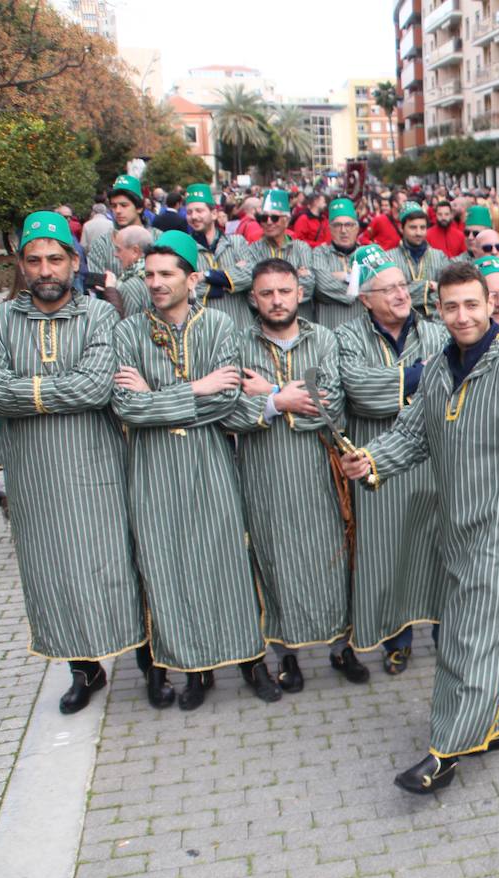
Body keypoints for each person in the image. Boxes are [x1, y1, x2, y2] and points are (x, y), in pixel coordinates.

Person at [339, 261, 499, 795]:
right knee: (493, 629)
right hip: (457, 528)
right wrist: (372, 460)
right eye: (450, 306)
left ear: (491, 305)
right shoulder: (437, 367)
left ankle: (446, 751)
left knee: (468, 638)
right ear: (437, 308)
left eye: (472, 304)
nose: (462, 315)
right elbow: (413, 433)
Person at [0, 212, 165, 713]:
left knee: (120, 566)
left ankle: (150, 666)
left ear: (74, 261)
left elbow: (95, 387)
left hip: (96, 470)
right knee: (54, 575)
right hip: (32, 477)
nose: (45, 270)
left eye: (55, 259)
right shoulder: (1, 320)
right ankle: (83, 670)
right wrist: (54, 389)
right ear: (21, 268)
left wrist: (22, 391)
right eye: (34, 261)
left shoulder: (99, 316)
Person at [110, 230, 273, 709]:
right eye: (149, 275)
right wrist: (194, 389)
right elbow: (125, 407)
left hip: (209, 462)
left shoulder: (220, 326)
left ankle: (250, 661)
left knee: (228, 561)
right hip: (153, 469)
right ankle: (196, 670)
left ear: (192, 277)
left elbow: (226, 401)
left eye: (166, 274)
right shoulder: (128, 331)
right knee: (168, 565)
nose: (156, 283)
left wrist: (158, 398)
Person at [221, 258, 368, 692]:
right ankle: (286, 655)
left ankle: (343, 648)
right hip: (264, 474)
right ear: (253, 298)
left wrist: (269, 395)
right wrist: (279, 404)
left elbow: (332, 405)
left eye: (284, 291)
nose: (277, 300)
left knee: (333, 557)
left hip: (319, 470)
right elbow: (229, 410)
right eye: (266, 293)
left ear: (299, 293)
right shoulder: (237, 344)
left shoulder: (322, 338)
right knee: (276, 559)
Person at [334, 246, 449, 674]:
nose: (401, 294)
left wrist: (421, 377)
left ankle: (444, 633)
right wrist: (420, 373)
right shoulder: (346, 337)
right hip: (378, 461)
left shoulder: (436, 331)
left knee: (438, 551)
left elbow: (450, 381)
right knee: (389, 554)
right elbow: (360, 390)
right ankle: (395, 640)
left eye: (403, 285)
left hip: (434, 458)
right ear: (366, 298)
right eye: (388, 289)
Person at [224, 189, 315, 323]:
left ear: (287, 220)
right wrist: (293, 279)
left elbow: (308, 287)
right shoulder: (252, 249)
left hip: (300, 324)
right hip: (263, 328)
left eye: (274, 218)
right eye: (263, 218)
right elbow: (250, 296)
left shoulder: (301, 248)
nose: (268, 222)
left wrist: (265, 290)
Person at [184, 184, 253, 329]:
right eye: (189, 212)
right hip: (204, 332)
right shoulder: (184, 250)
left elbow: (249, 276)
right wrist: (228, 281)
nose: (194, 216)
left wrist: (205, 276)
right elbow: (186, 290)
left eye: (199, 211)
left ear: (214, 214)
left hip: (240, 329)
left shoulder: (236, 242)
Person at [309, 197, 367, 330]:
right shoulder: (320, 253)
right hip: (329, 331)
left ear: (357, 228)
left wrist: (341, 276)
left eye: (348, 225)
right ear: (329, 228)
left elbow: (376, 287)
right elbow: (322, 286)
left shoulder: (366, 254)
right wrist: (356, 280)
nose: (343, 230)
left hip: (362, 334)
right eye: (337, 225)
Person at [386, 202, 450, 320]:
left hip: (435, 322)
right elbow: (390, 294)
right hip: (400, 322)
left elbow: (447, 291)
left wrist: (409, 288)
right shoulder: (389, 258)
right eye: (413, 227)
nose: (418, 233)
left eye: (423, 228)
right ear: (401, 228)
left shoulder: (439, 256)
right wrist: (427, 286)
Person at [86, 175, 159, 275]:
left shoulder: (159, 239)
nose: (118, 211)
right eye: (114, 206)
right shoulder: (101, 244)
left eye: (124, 205)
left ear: (139, 208)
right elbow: (95, 284)